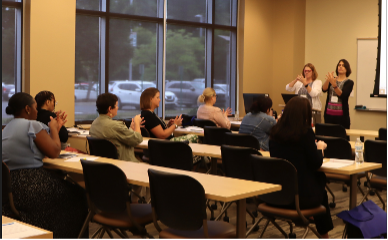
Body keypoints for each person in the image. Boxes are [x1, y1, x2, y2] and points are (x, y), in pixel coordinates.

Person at [2, 92, 88, 239]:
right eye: (35, 108)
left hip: (10, 190)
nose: (37, 111)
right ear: (28, 109)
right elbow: (54, 151)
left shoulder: (6, 128)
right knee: (79, 194)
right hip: (31, 186)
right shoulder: (32, 125)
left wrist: (56, 127)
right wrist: (54, 128)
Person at [269, 96, 333, 239]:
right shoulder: (305, 133)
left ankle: (308, 217)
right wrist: (320, 148)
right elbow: (316, 163)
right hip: (301, 197)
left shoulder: (274, 132)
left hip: (276, 194)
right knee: (321, 192)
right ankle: (324, 236)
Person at [90, 93, 143, 163]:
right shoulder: (115, 126)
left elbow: (118, 137)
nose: (117, 108)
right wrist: (137, 123)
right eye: (116, 105)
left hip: (105, 164)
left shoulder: (94, 124)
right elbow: (137, 139)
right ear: (110, 109)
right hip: (125, 164)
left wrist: (130, 129)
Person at [322, 59, 354, 129]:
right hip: (329, 115)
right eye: (339, 65)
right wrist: (328, 80)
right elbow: (324, 89)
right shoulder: (332, 79)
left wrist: (334, 85)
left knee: (341, 138)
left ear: (347, 69)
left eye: (343, 65)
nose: (340, 67)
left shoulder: (349, 82)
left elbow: (343, 95)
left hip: (342, 117)